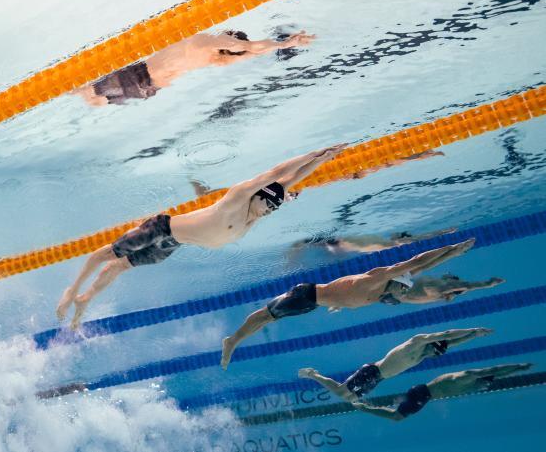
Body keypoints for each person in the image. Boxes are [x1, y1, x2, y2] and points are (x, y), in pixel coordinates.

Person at [55, 143, 349, 330]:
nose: (270, 210)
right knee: (107, 254)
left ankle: (85, 299)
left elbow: (291, 181)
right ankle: (72, 290)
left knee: (120, 267)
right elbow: (278, 173)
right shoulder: (237, 199)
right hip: (161, 229)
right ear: (258, 195)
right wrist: (315, 154)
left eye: (275, 207)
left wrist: (321, 162)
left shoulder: (253, 216)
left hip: (174, 244)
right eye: (269, 204)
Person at [220, 238, 502, 368]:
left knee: (269, 318)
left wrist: (454, 257)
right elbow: (416, 261)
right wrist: (451, 248)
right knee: (265, 316)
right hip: (306, 295)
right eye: (402, 290)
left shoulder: (383, 294)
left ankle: (235, 340)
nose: (402, 295)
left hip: (315, 303)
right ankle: (232, 340)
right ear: (395, 282)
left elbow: (421, 270)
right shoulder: (377, 280)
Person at [74, 30, 315, 106]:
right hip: (149, 89)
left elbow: (251, 47)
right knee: (93, 99)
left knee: (83, 90)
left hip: (139, 76)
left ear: (230, 35)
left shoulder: (210, 42)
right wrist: (282, 44)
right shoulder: (215, 59)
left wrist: (284, 44)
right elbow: (250, 53)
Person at [298, 328, 492, 401]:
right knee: (342, 392)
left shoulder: (423, 355)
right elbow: (446, 335)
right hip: (373, 371)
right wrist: (473, 329)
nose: (433, 356)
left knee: (349, 399)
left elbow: (450, 343)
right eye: (435, 352)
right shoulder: (417, 343)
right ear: (432, 345)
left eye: (436, 355)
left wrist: (474, 336)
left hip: (379, 378)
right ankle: (313, 374)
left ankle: (314, 374)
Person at [351, 363, 532, 421]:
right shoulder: (466, 378)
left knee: (397, 415)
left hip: (424, 395)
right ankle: (365, 408)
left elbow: (497, 375)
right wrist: (518, 366)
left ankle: (369, 406)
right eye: (485, 384)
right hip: (423, 393)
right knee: (396, 417)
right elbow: (493, 370)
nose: (485, 387)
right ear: (481, 379)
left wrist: (516, 371)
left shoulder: (473, 386)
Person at [290, 226, 456, 255]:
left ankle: (294, 251)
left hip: (340, 243)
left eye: (399, 234)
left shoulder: (394, 243)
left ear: (403, 238)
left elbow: (422, 237)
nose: (395, 233)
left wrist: (443, 232)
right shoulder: (387, 242)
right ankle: (295, 249)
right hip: (342, 246)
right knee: (305, 243)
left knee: (302, 243)